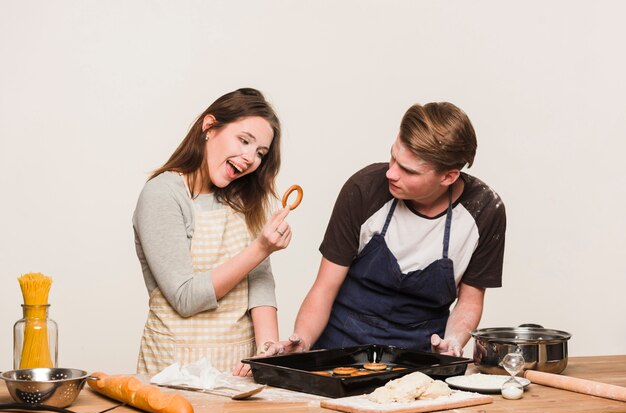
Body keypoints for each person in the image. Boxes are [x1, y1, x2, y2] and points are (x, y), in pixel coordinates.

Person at [272, 101, 505, 357]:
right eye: (393, 157)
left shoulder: (484, 211)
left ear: (448, 177)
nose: (391, 173)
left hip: (420, 357)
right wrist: (303, 340)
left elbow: (471, 299)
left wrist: (453, 342)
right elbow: (324, 288)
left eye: (407, 170)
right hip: (340, 346)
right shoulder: (364, 189)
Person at [133, 88, 291, 376]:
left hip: (238, 370)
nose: (249, 159)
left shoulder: (244, 199)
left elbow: (260, 281)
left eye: (260, 153)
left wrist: (267, 352)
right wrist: (261, 248)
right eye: (244, 141)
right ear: (209, 127)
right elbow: (185, 297)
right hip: (175, 370)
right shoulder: (163, 195)